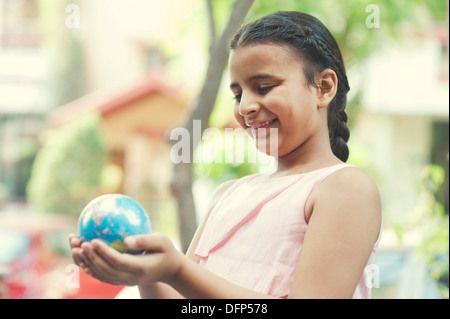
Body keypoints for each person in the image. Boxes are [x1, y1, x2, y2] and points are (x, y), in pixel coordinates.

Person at [69, 11, 381, 299]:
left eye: (264, 86)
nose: (245, 107)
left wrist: (178, 270)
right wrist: (145, 271)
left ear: (323, 87)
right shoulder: (228, 194)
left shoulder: (346, 188)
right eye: (237, 93)